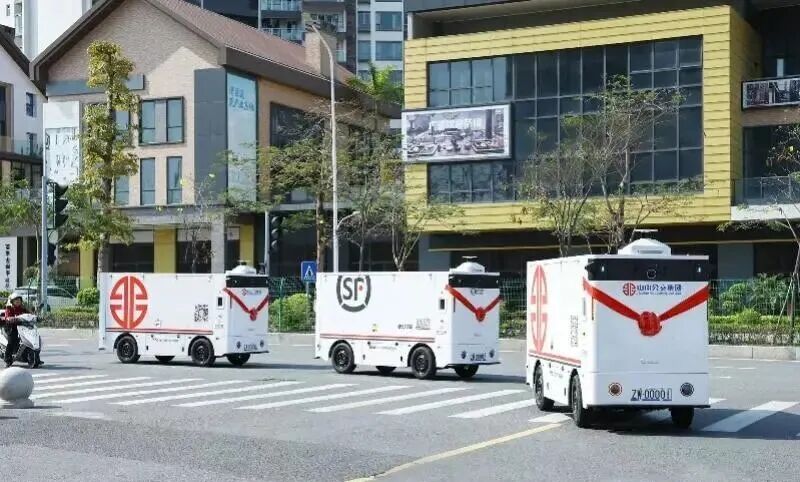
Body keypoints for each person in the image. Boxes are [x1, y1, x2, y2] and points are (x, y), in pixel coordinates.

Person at [3, 294, 27, 367]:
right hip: (11, 327)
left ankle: (35, 358)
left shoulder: (23, 309)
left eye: (19, 300)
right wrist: (10, 318)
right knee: (12, 341)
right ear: (12, 301)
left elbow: (29, 314)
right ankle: (7, 359)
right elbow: (7, 317)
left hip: (22, 327)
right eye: (16, 300)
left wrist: (36, 317)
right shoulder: (9, 309)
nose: (18, 301)